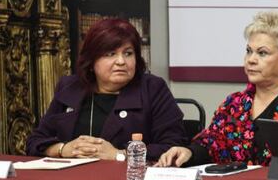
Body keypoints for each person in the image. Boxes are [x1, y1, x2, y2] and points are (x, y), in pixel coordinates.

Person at [157, 11, 278, 167]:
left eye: (262, 53)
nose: (251, 59)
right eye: (249, 51)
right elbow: (211, 144)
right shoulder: (235, 103)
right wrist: (189, 152)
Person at [25, 18, 185, 162]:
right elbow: (35, 142)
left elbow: (173, 146)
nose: (121, 61)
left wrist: (119, 154)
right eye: (111, 54)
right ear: (91, 60)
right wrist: (63, 149)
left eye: (128, 53)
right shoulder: (70, 87)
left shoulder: (152, 88)